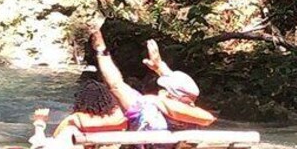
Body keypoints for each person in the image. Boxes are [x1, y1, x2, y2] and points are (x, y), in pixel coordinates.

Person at [88, 29, 216, 130]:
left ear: (168, 94)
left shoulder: (144, 108)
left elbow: (115, 85)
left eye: (162, 88)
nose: (159, 91)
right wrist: (160, 67)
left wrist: (101, 51)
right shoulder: (194, 122)